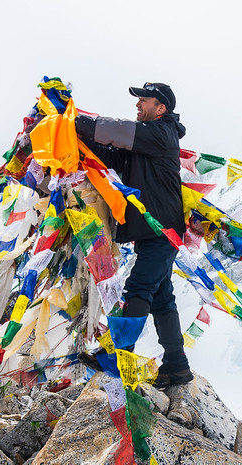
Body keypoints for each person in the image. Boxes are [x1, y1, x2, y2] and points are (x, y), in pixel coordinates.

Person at [74, 82, 193, 388]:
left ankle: (119, 354)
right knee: (162, 299)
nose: (138, 104)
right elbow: (111, 153)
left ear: (161, 107)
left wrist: (73, 120)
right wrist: (77, 138)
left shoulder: (161, 134)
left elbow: (116, 131)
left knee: (139, 288)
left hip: (162, 230)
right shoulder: (146, 143)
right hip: (156, 232)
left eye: (144, 99)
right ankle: (176, 365)